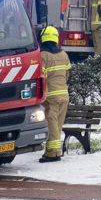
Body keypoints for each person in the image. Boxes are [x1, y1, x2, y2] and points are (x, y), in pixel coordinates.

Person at [37, 26, 73, 163]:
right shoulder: (64, 54)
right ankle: (54, 151)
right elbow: (68, 75)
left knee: (52, 125)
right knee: (57, 125)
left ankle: (53, 154)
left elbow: (42, 76)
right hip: (64, 96)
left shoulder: (43, 55)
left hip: (51, 97)